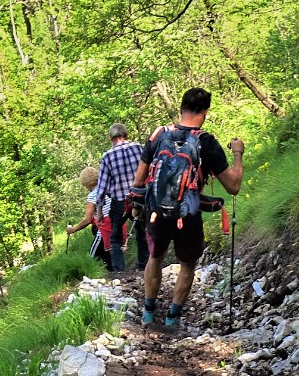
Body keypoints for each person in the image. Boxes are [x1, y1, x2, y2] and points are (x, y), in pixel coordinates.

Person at [128, 88, 244, 328]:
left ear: (180, 109)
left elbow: (139, 181)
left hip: (157, 213)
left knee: (155, 257)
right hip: (188, 214)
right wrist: (238, 153)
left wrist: (137, 206)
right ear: (206, 112)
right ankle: (172, 318)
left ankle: (148, 314)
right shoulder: (206, 142)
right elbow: (233, 186)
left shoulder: (158, 136)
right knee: (187, 264)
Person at [95, 122, 148, 275]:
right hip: (139, 197)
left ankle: (119, 271)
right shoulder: (138, 148)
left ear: (110, 137)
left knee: (115, 236)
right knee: (142, 231)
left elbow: (102, 186)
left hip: (120, 201)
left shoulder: (107, 157)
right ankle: (144, 265)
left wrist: (99, 210)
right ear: (126, 135)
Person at [64, 166, 124, 266]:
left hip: (103, 229)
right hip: (117, 226)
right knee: (110, 256)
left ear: (84, 183)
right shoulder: (107, 188)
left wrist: (74, 229)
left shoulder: (92, 196)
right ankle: (116, 274)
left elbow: (87, 219)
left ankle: (87, 274)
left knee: (91, 257)